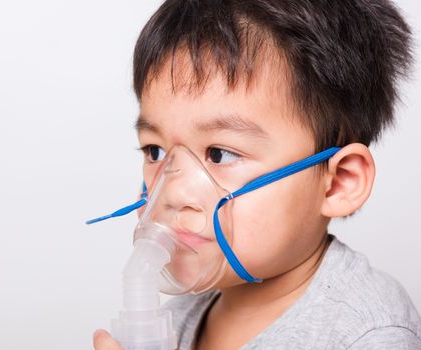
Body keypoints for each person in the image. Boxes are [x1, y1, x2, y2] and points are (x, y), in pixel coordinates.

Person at [93, 0, 421, 348]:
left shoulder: (365, 333)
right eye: (155, 152)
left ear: (338, 183)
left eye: (219, 154)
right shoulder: (175, 320)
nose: (173, 194)